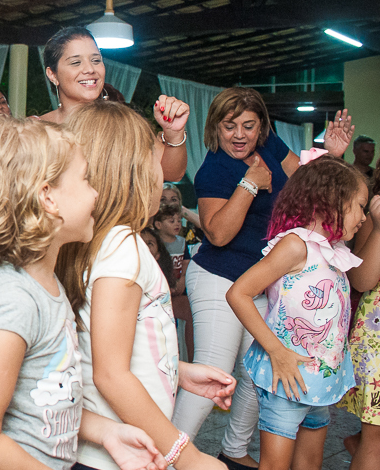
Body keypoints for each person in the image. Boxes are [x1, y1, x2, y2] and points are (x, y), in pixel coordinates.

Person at [0, 116, 165, 470]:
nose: (96, 192)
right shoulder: (15, 299)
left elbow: (47, 401)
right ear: (47, 197)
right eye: (86, 179)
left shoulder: (47, 286)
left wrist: (108, 432)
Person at [171, 88, 353, 470]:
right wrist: (250, 182)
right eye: (229, 125)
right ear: (215, 127)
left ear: (262, 127)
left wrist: (332, 156)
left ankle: (234, 449)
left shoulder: (270, 145)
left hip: (266, 278)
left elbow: (307, 183)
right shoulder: (215, 170)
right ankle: (168, 455)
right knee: (215, 372)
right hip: (219, 277)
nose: (239, 134)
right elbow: (218, 234)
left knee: (262, 373)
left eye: (248, 125)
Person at [57, 102, 233, 470]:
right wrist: (187, 456)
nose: (163, 177)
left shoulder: (98, 240)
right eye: (156, 162)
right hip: (119, 453)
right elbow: (110, 373)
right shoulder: (124, 247)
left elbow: (103, 345)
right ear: (131, 174)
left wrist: (178, 371)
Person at [226, 154, 369, 470]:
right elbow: (239, 293)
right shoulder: (295, 246)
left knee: (309, 464)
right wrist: (276, 351)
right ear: (333, 201)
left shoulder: (334, 251)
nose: (363, 216)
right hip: (287, 383)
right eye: (360, 205)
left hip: (318, 385)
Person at [38, 26, 190, 182]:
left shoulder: (125, 123)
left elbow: (172, 174)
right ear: (52, 74)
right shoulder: (37, 129)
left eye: (96, 60)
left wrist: (174, 133)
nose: (90, 69)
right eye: (76, 62)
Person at [339, 172, 380, 470]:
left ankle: (357, 444)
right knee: (375, 438)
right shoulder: (374, 214)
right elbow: (362, 280)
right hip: (377, 337)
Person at [151, 202, 194, 360]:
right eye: (171, 221)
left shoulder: (182, 243)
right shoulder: (155, 243)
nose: (177, 224)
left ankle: (191, 359)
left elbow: (185, 266)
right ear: (158, 225)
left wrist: (181, 283)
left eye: (178, 220)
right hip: (160, 290)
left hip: (177, 289)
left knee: (189, 310)